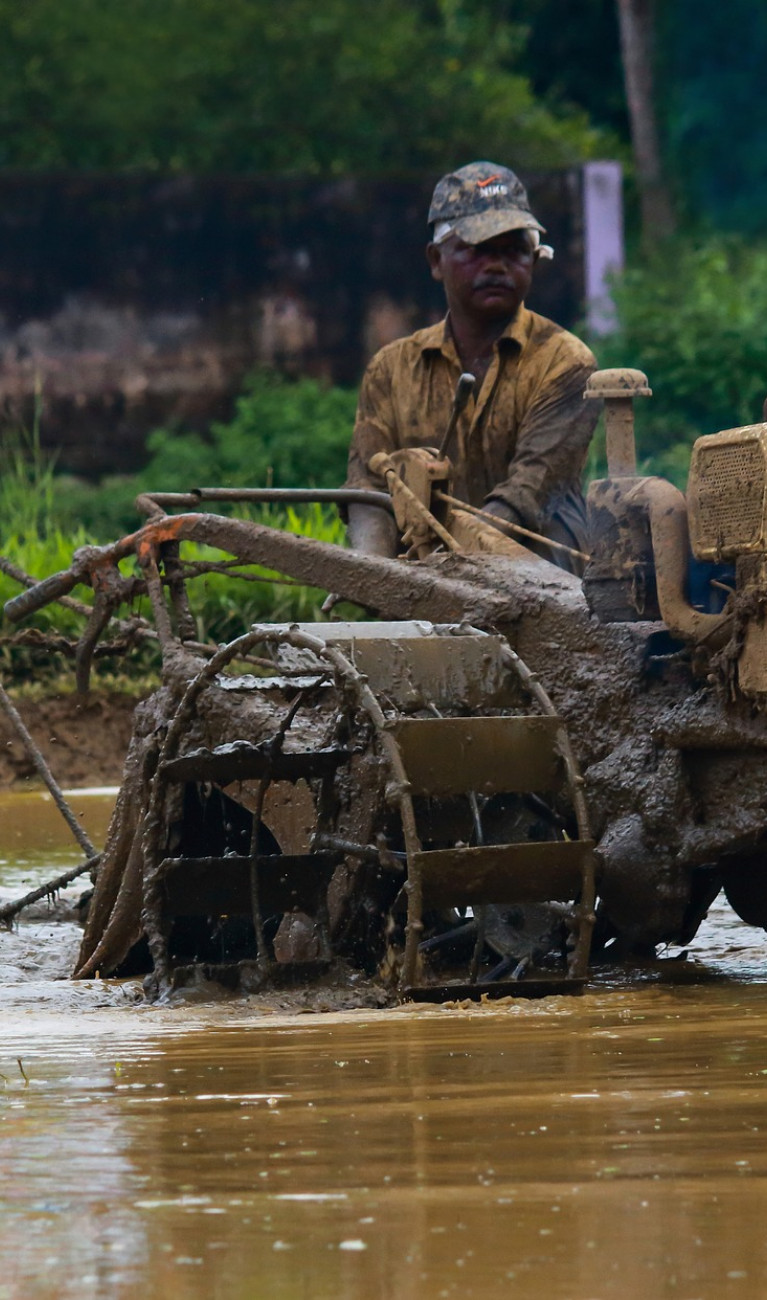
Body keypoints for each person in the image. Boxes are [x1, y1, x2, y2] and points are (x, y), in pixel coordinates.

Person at [345, 161, 599, 570]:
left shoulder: (566, 362)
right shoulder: (389, 370)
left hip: (545, 588)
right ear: (435, 260)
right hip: (417, 587)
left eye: (514, 250)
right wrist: (372, 577)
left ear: (533, 259)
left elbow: (527, 493)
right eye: (478, 249)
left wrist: (448, 573)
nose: (497, 265)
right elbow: (368, 493)